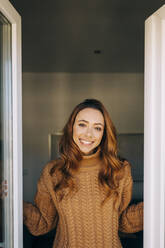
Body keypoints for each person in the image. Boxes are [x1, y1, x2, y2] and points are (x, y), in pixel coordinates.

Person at [23, 99, 143, 248]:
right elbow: (41, 225)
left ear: (104, 133)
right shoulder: (53, 172)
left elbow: (123, 222)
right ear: (71, 127)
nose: (88, 134)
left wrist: (156, 205)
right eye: (82, 124)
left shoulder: (119, 169)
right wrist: (11, 201)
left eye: (97, 128)